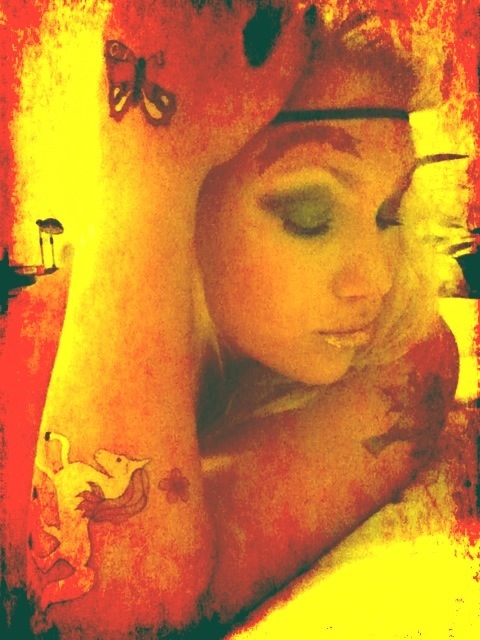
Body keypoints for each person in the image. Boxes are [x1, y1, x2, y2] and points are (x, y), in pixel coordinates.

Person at [3, 1, 461, 638]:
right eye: (309, 215)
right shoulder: (28, 352)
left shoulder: (408, 354)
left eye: (390, 213)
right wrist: (147, 164)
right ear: (186, 199)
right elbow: (103, 615)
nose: (378, 279)